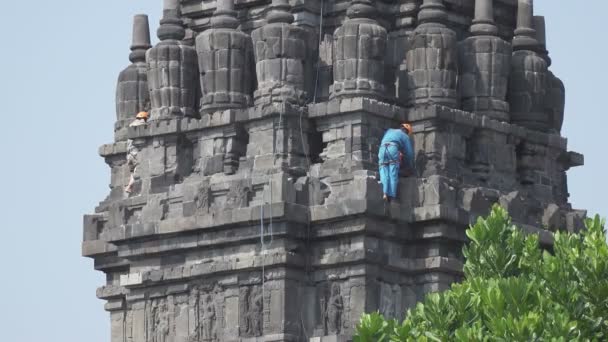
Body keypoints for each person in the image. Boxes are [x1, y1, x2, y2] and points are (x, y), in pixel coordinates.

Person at [378, 123, 415, 201]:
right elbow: (409, 154)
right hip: (392, 148)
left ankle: (385, 193)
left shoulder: (389, 130)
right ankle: (392, 196)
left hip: (382, 149)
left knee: (383, 170)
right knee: (393, 171)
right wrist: (410, 166)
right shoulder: (404, 136)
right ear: (407, 131)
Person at [124, 111, 148, 193]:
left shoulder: (131, 125)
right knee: (138, 170)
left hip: (129, 155)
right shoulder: (141, 123)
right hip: (135, 153)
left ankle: (129, 186)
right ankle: (130, 186)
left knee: (132, 171)